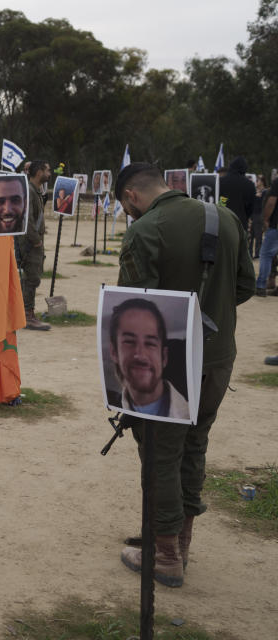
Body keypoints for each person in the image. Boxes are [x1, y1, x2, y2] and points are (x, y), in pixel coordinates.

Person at [113, 162, 254, 588]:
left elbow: (135, 305)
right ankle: (180, 540)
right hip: (217, 360)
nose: (128, 215)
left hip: (167, 363)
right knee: (194, 446)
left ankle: (167, 555)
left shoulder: (145, 230)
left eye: (125, 207)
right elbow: (246, 286)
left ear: (132, 195)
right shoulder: (223, 217)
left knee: (160, 453)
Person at [108, 298, 189, 419]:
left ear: (164, 357)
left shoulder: (186, 414)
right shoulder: (117, 401)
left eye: (150, 343)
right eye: (129, 342)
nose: (140, 354)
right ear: (114, 352)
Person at [16, 162, 51, 330]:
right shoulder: (29, 191)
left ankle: (24, 312)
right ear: (39, 173)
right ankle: (27, 315)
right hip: (30, 243)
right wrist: (36, 239)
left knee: (31, 278)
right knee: (32, 278)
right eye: (47, 170)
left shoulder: (35, 191)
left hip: (33, 242)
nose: (49, 173)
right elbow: (27, 219)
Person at [219, 157, 255, 234]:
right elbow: (251, 207)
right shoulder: (250, 185)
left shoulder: (220, 181)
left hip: (223, 221)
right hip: (241, 223)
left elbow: (219, 201)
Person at [255, 175, 278, 297]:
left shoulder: (277, 182)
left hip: (276, 226)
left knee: (266, 254)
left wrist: (266, 219)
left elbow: (271, 202)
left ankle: (260, 286)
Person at [251, 175, 266, 258]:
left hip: (259, 215)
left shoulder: (265, 191)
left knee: (258, 236)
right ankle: (249, 253)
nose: (257, 182)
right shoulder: (254, 191)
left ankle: (258, 253)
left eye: (258, 180)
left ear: (262, 182)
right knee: (251, 236)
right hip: (253, 214)